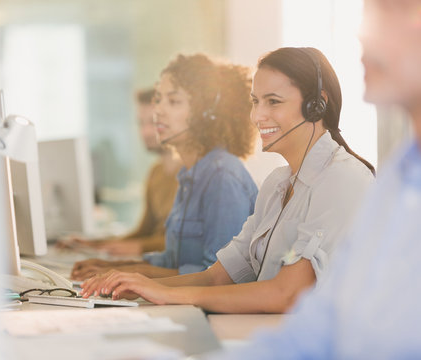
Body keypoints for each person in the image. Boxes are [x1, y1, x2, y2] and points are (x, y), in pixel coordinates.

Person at [80, 47, 375, 315]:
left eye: (273, 102)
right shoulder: (277, 184)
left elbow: (285, 294)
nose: (258, 116)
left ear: (317, 105)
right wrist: (139, 284)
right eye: (256, 102)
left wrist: (166, 293)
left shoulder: (342, 178)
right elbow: (216, 276)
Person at [206, 0, 421, 357]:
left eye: (395, 9)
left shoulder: (350, 179)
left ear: (315, 105)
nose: (363, 33)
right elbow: (320, 327)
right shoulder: (396, 180)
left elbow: (290, 297)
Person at [71, 54, 259, 280]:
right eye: (159, 99)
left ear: (207, 113)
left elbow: (218, 278)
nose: (158, 111)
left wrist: (135, 274)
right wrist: (116, 266)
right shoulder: (190, 175)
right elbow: (173, 261)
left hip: (210, 314)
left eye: (174, 101)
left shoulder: (222, 178)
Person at [72, 89, 181, 257]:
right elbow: (143, 232)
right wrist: (94, 245)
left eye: (153, 123)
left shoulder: (193, 174)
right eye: (140, 123)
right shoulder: (156, 172)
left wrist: (139, 247)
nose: (145, 132)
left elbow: (187, 242)